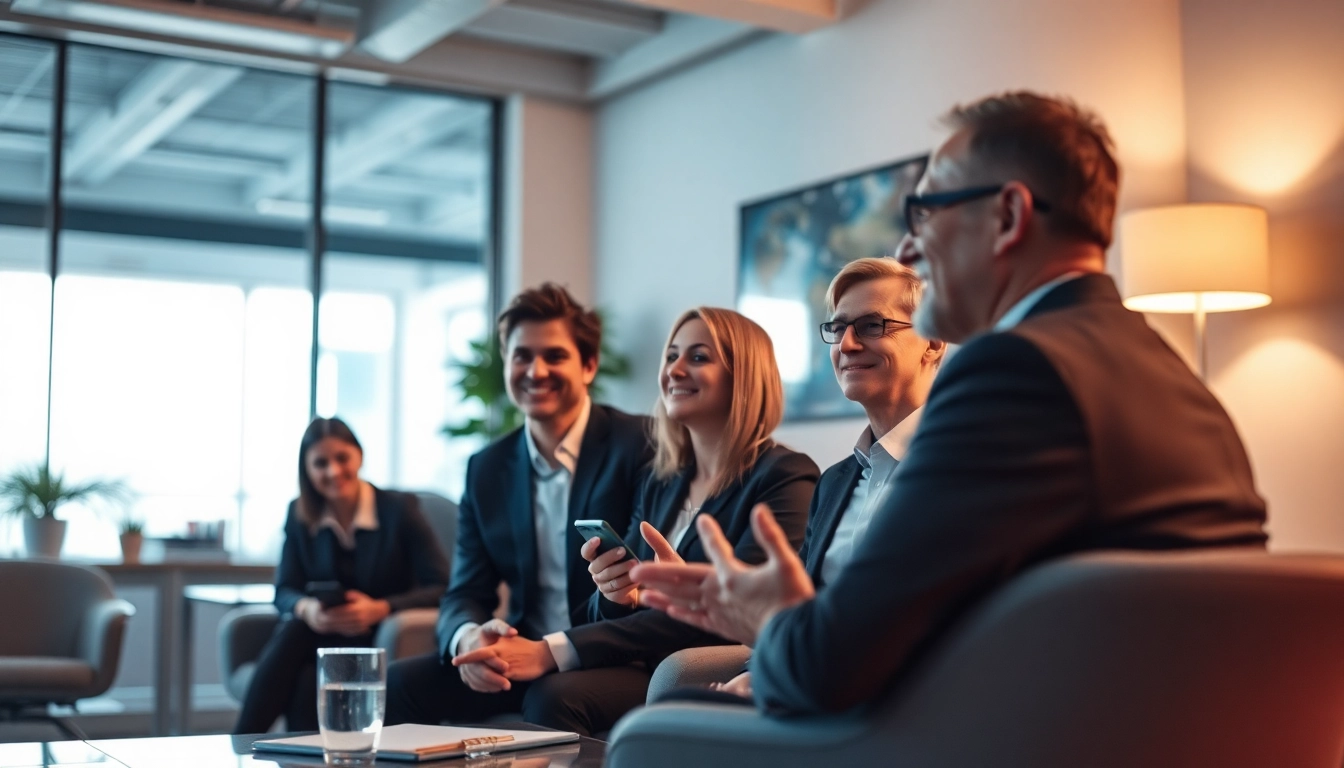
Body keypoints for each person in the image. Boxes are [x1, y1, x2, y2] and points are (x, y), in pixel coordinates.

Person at [634, 91, 1269, 717]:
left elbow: (827, 669)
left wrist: (769, 618)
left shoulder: (1016, 371)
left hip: (1042, 736)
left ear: (1009, 216)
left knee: (651, 734)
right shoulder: (1165, 370)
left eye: (927, 211)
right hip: (1186, 728)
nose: (909, 249)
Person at [449, 307, 818, 736]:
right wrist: (617, 594)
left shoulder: (784, 476)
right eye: (672, 356)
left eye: (698, 358)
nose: (675, 370)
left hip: (698, 664)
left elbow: (744, 611)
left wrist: (554, 650)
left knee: (555, 694)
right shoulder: (663, 479)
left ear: (745, 377)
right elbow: (603, 607)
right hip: (642, 657)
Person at [385, 283, 653, 730]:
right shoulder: (487, 468)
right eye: (521, 356)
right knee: (401, 683)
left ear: (588, 365)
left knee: (551, 699)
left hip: (613, 656)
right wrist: (467, 639)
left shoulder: (639, 445)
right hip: (524, 653)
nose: (535, 370)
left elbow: (645, 581)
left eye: (554, 356)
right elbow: (466, 592)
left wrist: (556, 650)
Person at [709, 257, 945, 701]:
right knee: (674, 711)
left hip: (902, 701)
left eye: (873, 326)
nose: (848, 344)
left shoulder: (960, 463)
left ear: (932, 342)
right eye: (838, 330)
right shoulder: (835, 482)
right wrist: (756, 672)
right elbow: (805, 614)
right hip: (810, 687)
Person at [234, 416, 449, 733]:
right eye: (320, 463)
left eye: (341, 458)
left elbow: (442, 586)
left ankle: (243, 744)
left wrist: (380, 608)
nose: (333, 471)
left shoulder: (399, 509)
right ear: (307, 470)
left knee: (297, 640)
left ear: (359, 455)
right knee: (306, 666)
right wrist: (309, 609)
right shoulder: (300, 514)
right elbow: (284, 590)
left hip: (378, 636)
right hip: (320, 634)